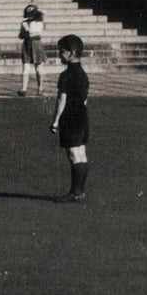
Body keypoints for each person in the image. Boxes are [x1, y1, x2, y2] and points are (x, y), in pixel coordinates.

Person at [51, 34, 91, 201]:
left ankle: (75, 193)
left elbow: (62, 100)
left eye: (62, 51)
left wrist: (55, 121)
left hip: (70, 116)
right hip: (82, 114)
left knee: (73, 154)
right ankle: (80, 190)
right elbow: (85, 98)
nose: (59, 55)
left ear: (72, 52)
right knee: (81, 153)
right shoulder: (83, 74)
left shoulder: (66, 76)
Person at [18, 0, 46, 96]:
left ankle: (40, 87)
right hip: (27, 44)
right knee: (25, 66)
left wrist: (27, 33)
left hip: (36, 43)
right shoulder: (24, 23)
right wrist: (24, 32)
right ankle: (24, 88)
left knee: (38, 67)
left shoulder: (39, 22)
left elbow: (37, 33)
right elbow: (21, 35)